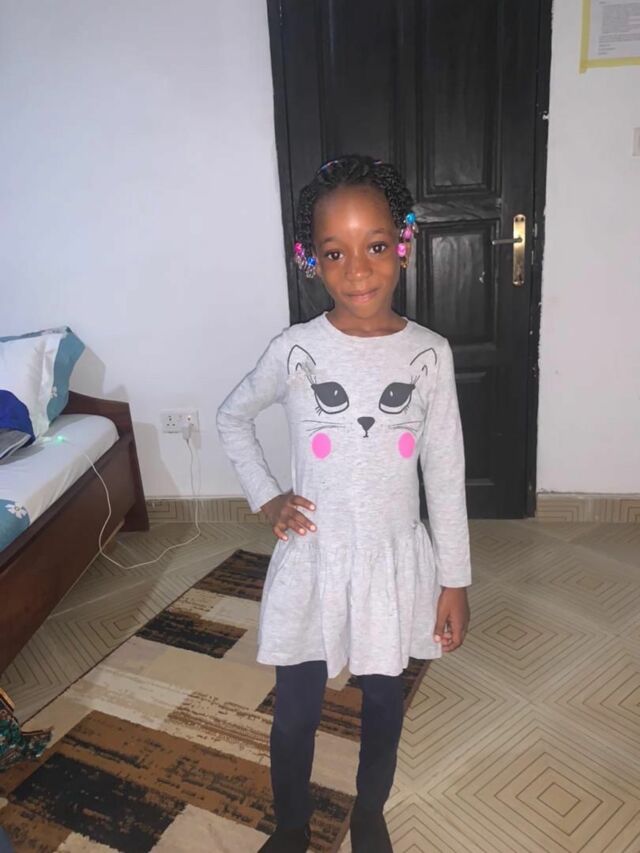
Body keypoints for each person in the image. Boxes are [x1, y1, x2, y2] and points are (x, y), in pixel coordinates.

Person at [217, 154, 471, 853]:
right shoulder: (296, 350)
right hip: (315, 560)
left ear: (404, 243)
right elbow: (233, 416)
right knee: (295, 714)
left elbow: (445, 471)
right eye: (335, 252)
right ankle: (292, 824)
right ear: (312, 260)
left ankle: (369, 811)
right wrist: (267, 496)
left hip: (393, 563)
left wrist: (455, 580)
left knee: (383, 702)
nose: (358, 270)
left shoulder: (430, 355)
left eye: (376, 246)